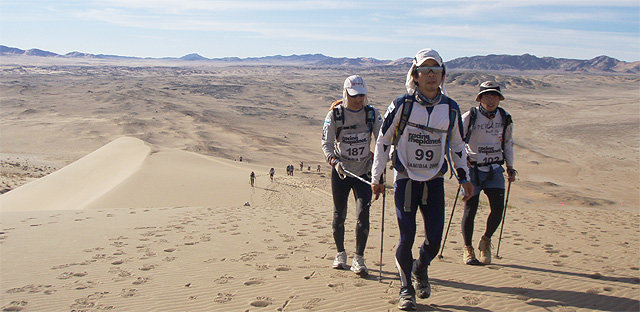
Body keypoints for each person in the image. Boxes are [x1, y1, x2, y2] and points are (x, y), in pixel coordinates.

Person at [370, 49, 473, 310]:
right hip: (405, 179)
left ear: (442, 76)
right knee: (407, 235)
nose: (430, 75)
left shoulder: (450, 109)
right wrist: (377, 176)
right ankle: (406, 288)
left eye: (435, 71)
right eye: (425, 70)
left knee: (435, 240)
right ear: (414, 75)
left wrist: (465, 177)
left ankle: (420, 267)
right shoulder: (401, 105)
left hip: (434, 180)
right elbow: (383, 141)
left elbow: (458, 145)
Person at [321, 74, 383, 277]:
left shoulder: (372, 114)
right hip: (341, 172)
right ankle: (340, 253)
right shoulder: (335, 115)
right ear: (346, 93)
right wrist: (334, 161)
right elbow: (326, 143)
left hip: (363, 171)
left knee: (362, 214)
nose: (358, 99)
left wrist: (379, 169)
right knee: (339, 213)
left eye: (362, 95)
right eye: (354, 95)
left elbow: (382, 141)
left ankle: (359, 258)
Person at [460, 81, 516, 265]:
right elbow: (456, 139)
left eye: (494, 96)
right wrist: (461, 161)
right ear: (480, 98)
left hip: (495, 168)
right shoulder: (470, 116)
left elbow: (508, 143)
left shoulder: (505, 117)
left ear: (499, 99)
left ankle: (485, 240)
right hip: (473, 169)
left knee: (498, 209)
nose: (491, 100)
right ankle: (468, 248)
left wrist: (510, 166)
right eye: (487, 95)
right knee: (471, 210)